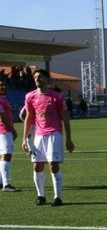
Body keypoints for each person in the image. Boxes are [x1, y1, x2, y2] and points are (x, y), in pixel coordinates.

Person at [21, 69, 74, 206]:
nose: (37, 79)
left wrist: (69, 139)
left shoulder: (56, 96)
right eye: (35, 77)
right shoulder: (30, 96)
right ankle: (41, 196)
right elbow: (29, 117)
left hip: (54, 134)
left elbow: (65, 118)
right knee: (37, 166)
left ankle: (58, 197)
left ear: (47, 80)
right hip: (38, 136)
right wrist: (24, 138)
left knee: (52, 165)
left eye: (40, 77)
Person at [0, 78, 20, 192]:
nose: (3, 87)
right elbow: (2, 118)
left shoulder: (3, 98)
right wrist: (12, 130)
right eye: (0, 85)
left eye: (4, 84)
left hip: (2, 131)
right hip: (3, 131)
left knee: (1, 156)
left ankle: (1, 182)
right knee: (6, 155)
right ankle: (6, 184)